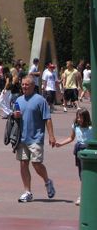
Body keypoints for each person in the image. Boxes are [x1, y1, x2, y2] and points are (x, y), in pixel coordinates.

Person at [14, 75, 57, 203]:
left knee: (36, 164)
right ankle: (27, 191)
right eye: (22, 84)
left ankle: (47, 181)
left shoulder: (40, 100)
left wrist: (51, 136)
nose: (24, 87)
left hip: (36, 138)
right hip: (21, 138)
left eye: (27, 84)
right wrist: (14, 115)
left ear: (33, 86)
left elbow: (47, 118)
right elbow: (14, 117)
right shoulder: (18, 100)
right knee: (23, 164)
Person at [54, 108, 92, 206]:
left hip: (88, 150)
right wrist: (60, 144)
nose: (79, 119)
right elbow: (71, 138)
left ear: (86, 117)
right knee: (81, 173)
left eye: (81, 117)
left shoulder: (91, 128)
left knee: (87, 173)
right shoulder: (75, 126)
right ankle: (83, 195)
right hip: (79, 151)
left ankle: (84, 195)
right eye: (78, 117)